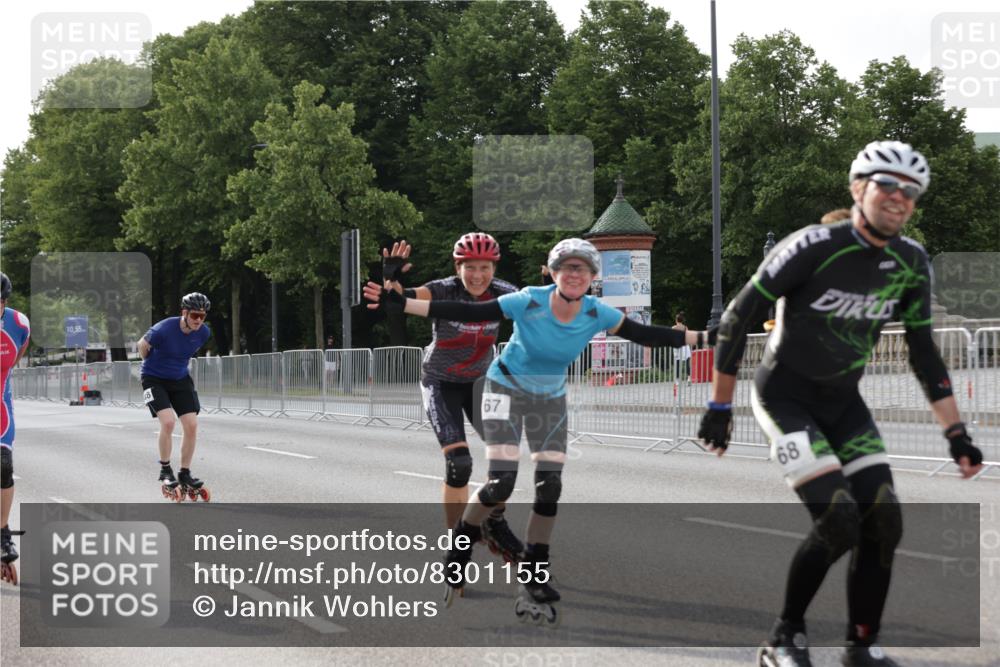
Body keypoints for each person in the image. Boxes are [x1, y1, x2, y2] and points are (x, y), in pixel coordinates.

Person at [698, 141, 984, 667]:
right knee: (839, 521)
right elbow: (739, 316)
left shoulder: (911, 260)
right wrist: (719, 407)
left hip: (843, 404)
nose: (899, 198)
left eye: (911, 192)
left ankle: (861, 646)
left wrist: (956, 433)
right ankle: (784, 636)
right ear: (858, 189)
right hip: (784, 398)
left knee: (885, 522)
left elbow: (924, 353)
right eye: (888, 186)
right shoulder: (813, 245)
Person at [365, 238, 713, 615]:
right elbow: (468, 311)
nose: (574, 275)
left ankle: (533, 572)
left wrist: (709, 338)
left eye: (582, 269)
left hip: (548, 397)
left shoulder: (596, 312)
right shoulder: (528, 299)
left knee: (550, 487)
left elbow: (648, 334)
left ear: (594, 277)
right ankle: (459, 549)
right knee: (498, 480)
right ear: (553, 272)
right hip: (501, 387)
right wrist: (399, 300)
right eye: (567, 268)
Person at [370, 233, 524, 562]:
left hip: (480, 383)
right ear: (458, 267)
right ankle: (457, 540)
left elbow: (541, 309)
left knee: (505, 463)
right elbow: (399, 300)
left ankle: (495, 522)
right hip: (440, 383)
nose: (478, 275)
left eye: (485, 267)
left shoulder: (503, 293)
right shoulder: (443, 289)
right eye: (470, 267)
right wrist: (390, 277)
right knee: (460, 464)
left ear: (494, 268)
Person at [139, 292, 213, 501]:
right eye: (195, 315)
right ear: (185, 313)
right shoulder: (164, 328)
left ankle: (184, 472)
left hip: (180, 379)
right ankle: (165, 469)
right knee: (169, 422)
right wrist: (151, 364)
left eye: (202, 316)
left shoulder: (203, 333)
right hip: (153, 378)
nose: (198, 320)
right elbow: (141, 346)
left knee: (191, 425)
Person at [1, 273, 30, 583]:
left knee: (4, 465)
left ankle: (2, 531)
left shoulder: (19, 324)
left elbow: (13, 363)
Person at [672, 312, 692, 380]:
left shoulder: (674, 327)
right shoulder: (685, 327)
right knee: (687, 363)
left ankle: (677, 380)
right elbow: (688, 336)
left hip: (677, 346)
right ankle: (689, 378)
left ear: (676, 320)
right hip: (685, 346)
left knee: (677, 363)